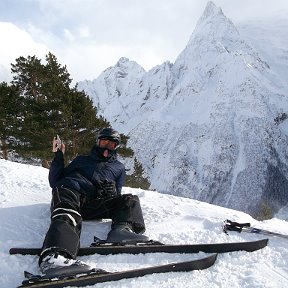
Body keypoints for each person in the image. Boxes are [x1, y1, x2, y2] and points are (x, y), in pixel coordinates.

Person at [39, 127, 148, 276]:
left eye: (112, 144)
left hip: (92, 203)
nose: (107, 147)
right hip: (70, 190)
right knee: (68, 213)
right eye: (104, 142)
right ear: (98, 142)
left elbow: (117, 195)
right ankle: (55, 259)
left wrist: (109, 193)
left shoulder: (119, 168)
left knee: (129, 200)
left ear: (116, 147)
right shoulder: (81, 160)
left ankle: (122, 231)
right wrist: (58, 156)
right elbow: (55, 181)